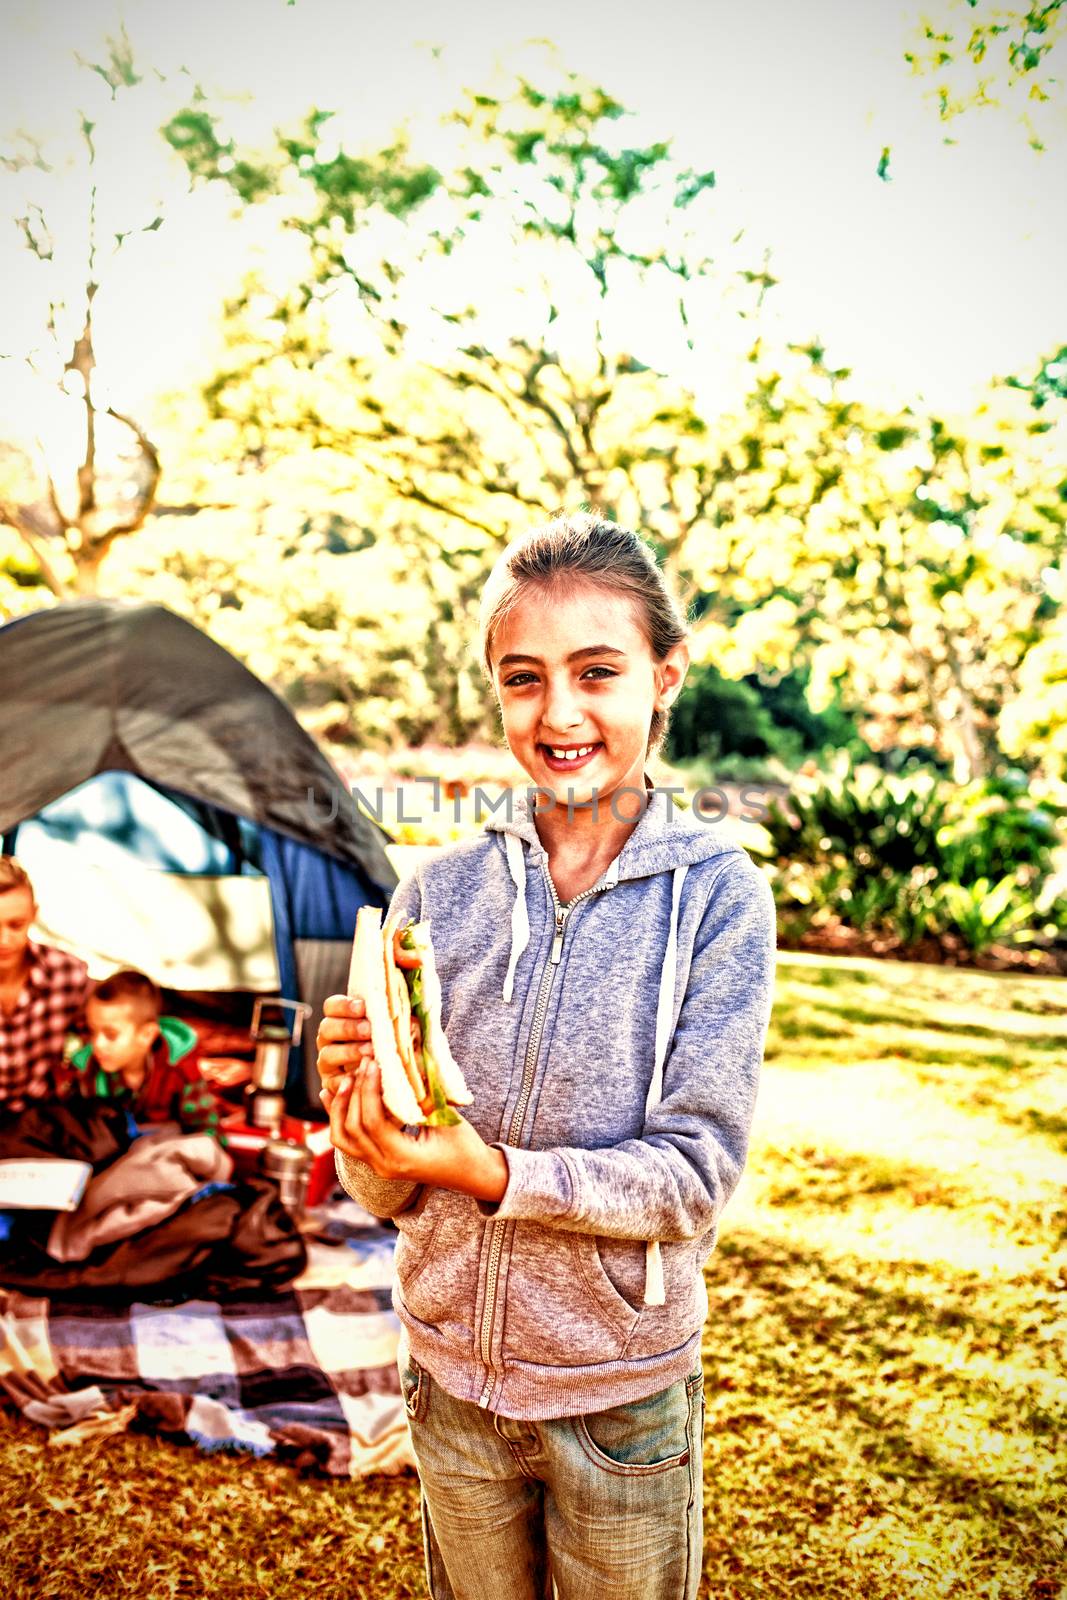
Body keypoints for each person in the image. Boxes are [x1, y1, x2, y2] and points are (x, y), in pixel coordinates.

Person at [317, 513, 777, 1600]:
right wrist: (364, 1118)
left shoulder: (715, 896)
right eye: (523, 678)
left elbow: (694, 1172)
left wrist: (498, 1175)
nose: (558, 712)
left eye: (596, 671)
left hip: (617, 1398)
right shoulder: (436, 891)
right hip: (448, 1384)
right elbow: (389, 1184)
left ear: (664, 675)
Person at [67, 968, 225, 1140]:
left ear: (147, 1035)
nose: (97, 1044)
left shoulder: (180, 1070)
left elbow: (207, 1130)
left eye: (111, 1035)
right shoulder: (87, 1073)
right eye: (92, 1032)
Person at [0, 856, 90, 1112]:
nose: (4, 939)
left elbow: (95, 1038)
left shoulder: (68, 973)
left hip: (42, 1113)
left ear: (33, 914)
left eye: (16, 925)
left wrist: (71, 1075)